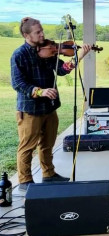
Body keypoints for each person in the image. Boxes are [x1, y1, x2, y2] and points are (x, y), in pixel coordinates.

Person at [11, 17, 91, 191]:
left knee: (47, 144)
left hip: (49, 107)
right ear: (26, 35)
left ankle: (48, 174)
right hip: (30, 108)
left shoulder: (48, 52)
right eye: (37, 32)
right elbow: (18, 83)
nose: (42, 35)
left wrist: (80, 56)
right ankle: (25, 181)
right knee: (27, 146)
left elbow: (62, 70)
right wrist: (41, 91)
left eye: (42, 31)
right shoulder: (19, 55)